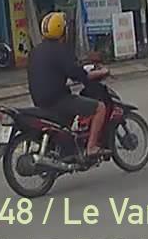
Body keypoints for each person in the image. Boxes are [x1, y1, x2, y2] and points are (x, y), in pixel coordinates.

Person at [26, 12, 110, 160]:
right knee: (100, 108)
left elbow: (53, 72)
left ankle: (67, 148)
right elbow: (78, 74)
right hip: (58, 100)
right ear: (62, 30)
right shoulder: (61, 50)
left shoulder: (35, 51)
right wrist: (101, 72)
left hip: (39, 100)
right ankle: (91, 148)